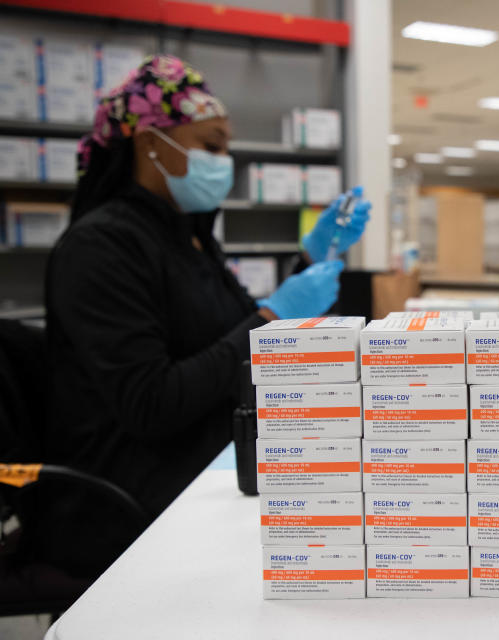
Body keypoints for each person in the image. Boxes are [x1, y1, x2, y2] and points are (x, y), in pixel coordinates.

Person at [40, 55, 370, 578]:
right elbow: (152, 403)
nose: (224, 161)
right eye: (211, 146)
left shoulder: (189, 236)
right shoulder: (100, 248)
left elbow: (233, 333)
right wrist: (272, 315)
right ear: (151, 144)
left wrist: (308, 262)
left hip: (203, 461)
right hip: (127, 496)